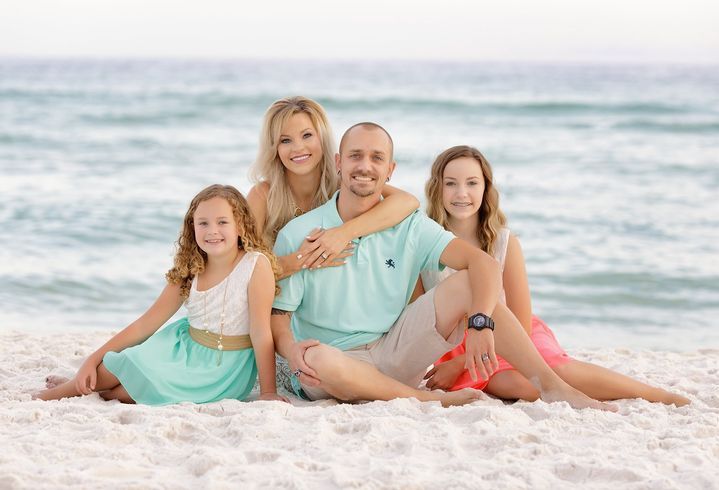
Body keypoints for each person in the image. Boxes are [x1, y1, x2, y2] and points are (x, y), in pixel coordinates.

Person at [270, 122, 616, 410]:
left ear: (390, 170)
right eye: (356, 156)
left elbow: (481, 263)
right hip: (334, 365)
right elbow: (280, 316)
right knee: (318, 359)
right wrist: (291, 349)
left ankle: (553, 386)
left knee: (468, 283)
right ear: (338, 163)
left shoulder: (410, 224)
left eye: (377, 158)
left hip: (394, 351)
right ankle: (425, 399)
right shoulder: (301, 233)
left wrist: (480, 323)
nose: (366, 166)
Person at [416, 145, 690, 407]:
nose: (461, 193)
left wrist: (460, 363)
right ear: (437, 188)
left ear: (486, 187)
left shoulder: (504, 243)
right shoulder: (426, 243)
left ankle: (653, 395)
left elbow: (521, 321)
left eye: (472, 183)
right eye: (451, 183)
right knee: (514, 386)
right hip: (456, 343)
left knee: (557, 369)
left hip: (513, 336)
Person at [35, 185, 287, 405]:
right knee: (119, 366)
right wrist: (91, 360)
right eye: (203, 223)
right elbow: (146, 323)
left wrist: (267, 392)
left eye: (222, 222)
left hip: (225, 368)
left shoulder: (256, 265)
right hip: (183, 348)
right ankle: (65, 389)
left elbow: (261, 332)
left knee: (126, 393)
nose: (213, 231)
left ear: (240, 226)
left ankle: (88, 387)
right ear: (192, 227)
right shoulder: (192, 266)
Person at [247, 96, 419, 278]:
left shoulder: (343, 184)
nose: (298, 148)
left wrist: (344, 233)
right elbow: (241, 267)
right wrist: (302, 259)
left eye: (307, 135)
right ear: (274, 148)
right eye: (285, 140)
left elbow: (408, 202)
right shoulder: (263, 195)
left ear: (322, 138)